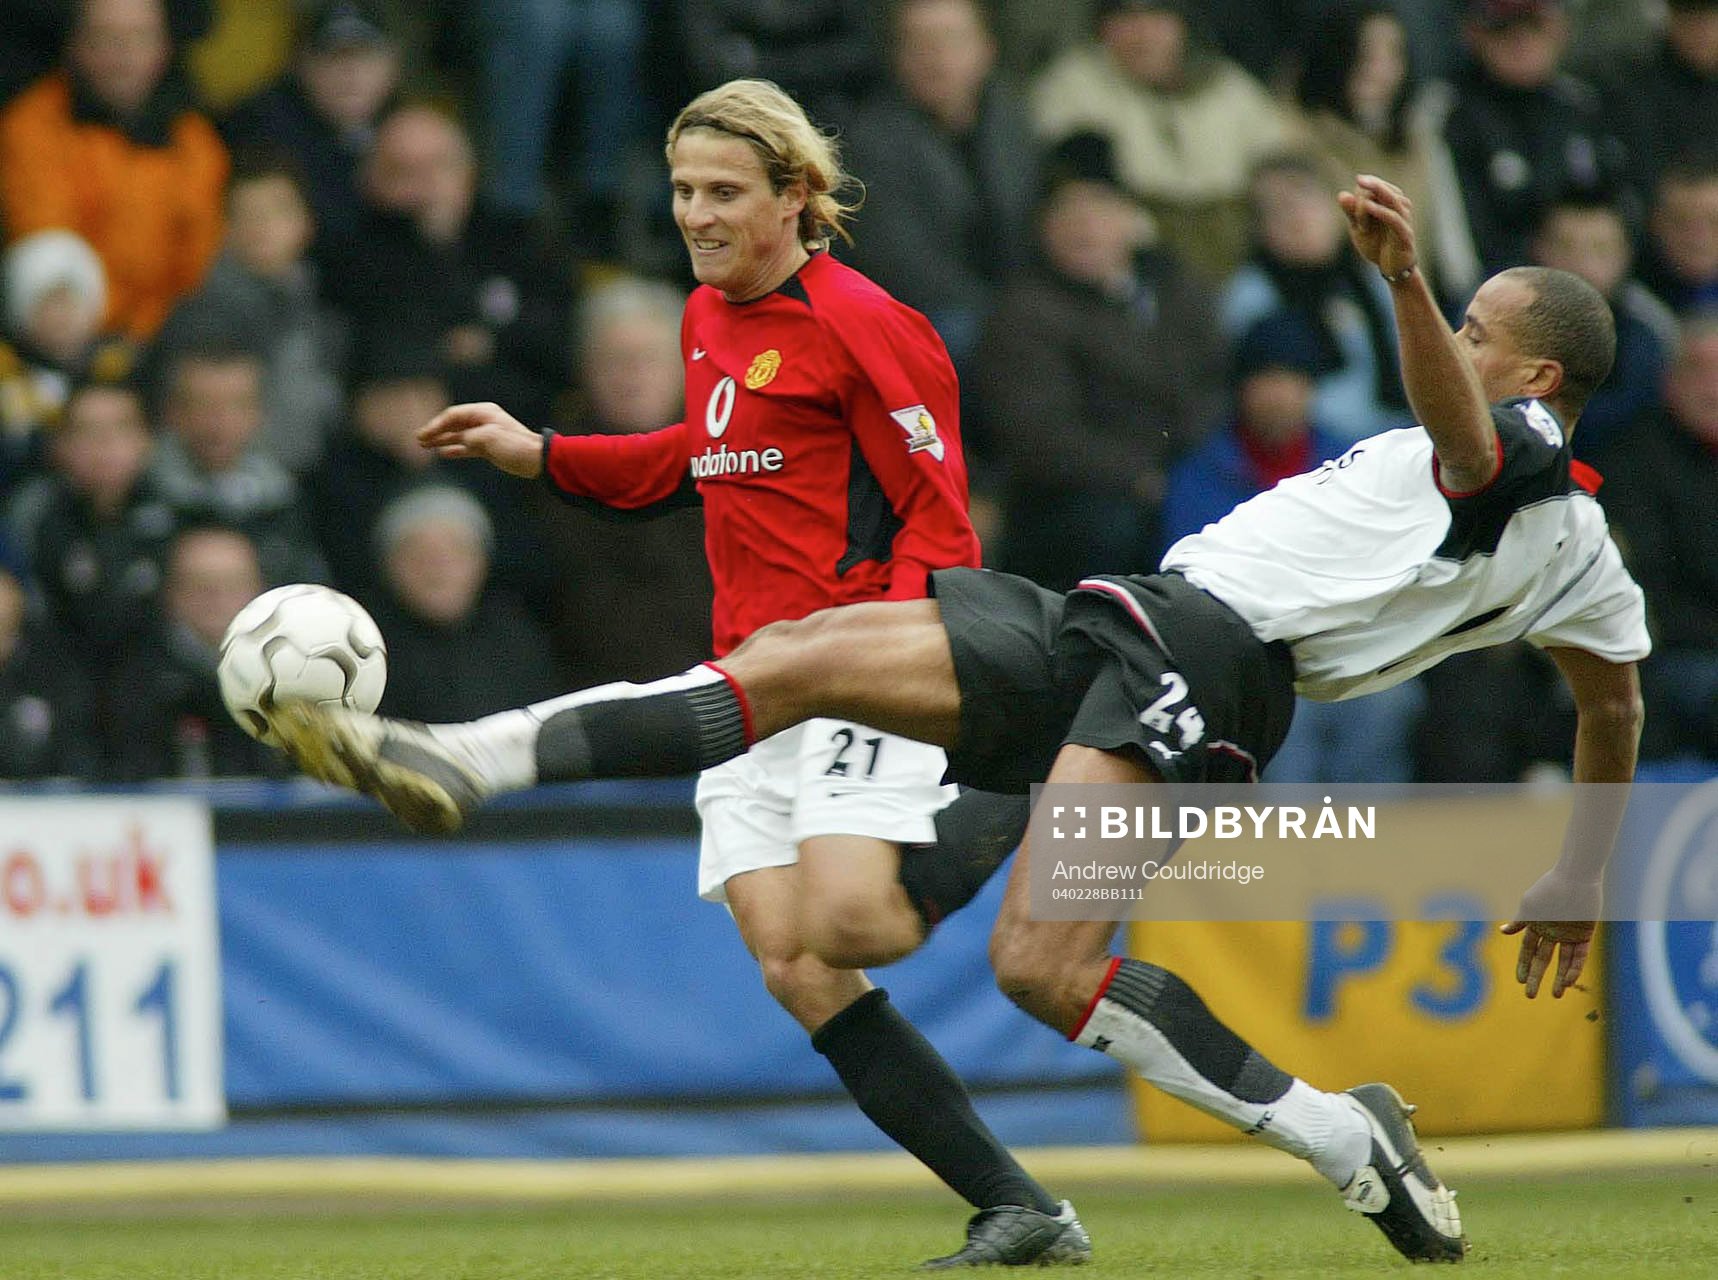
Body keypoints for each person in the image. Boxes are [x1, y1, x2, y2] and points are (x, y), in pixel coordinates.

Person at [275, 174, 1650, 1266]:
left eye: (1475, 333)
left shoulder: (1523, 459)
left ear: (1530, 377)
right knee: (814, 667)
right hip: (1136, 618)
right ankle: (469, 757)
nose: (1449, 346)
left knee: (1033, 964)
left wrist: (1403, 277)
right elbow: (1610, 700)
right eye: (1451, 321)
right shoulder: (1587, 563)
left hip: (1208, 668)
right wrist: (1580, 871)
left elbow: (1474, 462)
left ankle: (1339, 1138)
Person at [314, 78, 1091, 1269]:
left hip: (855, 664)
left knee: (850, 922)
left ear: (795, 196)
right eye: (683, 189)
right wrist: (545, 452)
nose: (696, 212)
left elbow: (942, 526)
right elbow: (707, 454)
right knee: (793, 959)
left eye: (723, 190)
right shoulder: (704, 315)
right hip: (749, 673)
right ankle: (1019, 1206)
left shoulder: (868, 321)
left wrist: (902, 663)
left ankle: (1011, 778)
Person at [0, 0, 228, 340]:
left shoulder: (195, 140)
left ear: (165, 47)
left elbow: (201, 261)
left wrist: (155, 329)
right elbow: (51, 262)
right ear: (75, 45)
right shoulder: (30, 129)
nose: (125, 56)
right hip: (66, 335)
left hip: (166, 338)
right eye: (107, 38)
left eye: (140, 37)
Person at [1030, 0, 1293, 279]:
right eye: (1126, 17)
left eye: (1157, 15)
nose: (1143, 32)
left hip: (1244, 262)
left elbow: (1283, 170)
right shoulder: (1069, 89)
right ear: (1102, 26)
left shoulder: (1229, 87)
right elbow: (1076, 197)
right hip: (1134, 269)